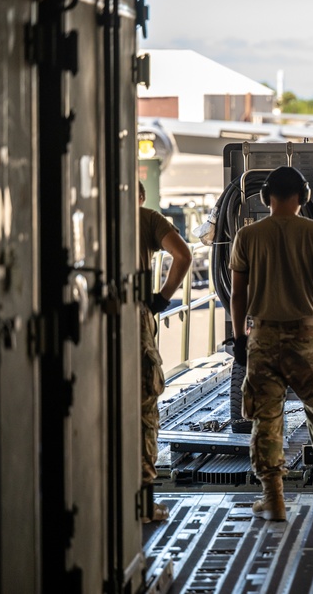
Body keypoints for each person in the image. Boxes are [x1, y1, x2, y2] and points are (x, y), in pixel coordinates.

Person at [229, 165, 313, 520]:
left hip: (262, 338)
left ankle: (274, 501)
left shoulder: (247, 236)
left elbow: (237, 294)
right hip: (305, 338)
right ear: (303, 196)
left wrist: (240, 338)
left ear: (266, 197)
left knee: (266, 421)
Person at [138, 181, 192, 523]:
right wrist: (161, 298)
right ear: (140, 196)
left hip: (91, 326)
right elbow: (183, 255)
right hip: (135, 323)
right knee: (144, 411)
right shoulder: (147, 218)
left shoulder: (87, 218)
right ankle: (143, 505)